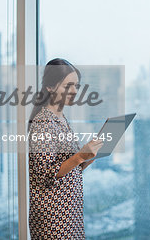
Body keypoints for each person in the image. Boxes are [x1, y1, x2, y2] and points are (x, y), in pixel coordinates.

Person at [28, 58, 103, 239]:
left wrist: (87, 157)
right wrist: (79, 157)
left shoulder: (61, 118)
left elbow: (69, 168)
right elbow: (46, 174)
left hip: (69, 212)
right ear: (50, 87)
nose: (74, 91)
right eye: (68, 86)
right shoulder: (43, 123)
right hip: (54, 217)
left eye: (76, 86)